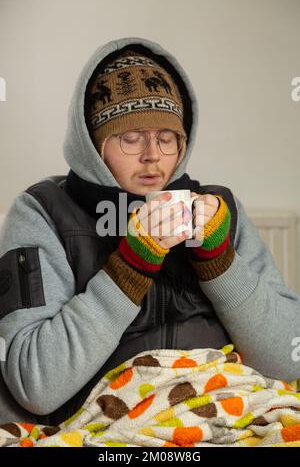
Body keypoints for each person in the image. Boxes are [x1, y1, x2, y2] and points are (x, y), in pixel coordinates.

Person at [0, 37, 299, 427]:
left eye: (166, 137)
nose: (152, 155)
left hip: (226, 408)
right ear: (93, 144)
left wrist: (220, 263)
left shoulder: (219, 209)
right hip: (109, 422)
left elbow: (288, 360)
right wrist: (129, 268)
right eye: (130, 137)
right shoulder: (43, 211)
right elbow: (35, 385)